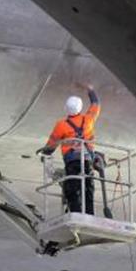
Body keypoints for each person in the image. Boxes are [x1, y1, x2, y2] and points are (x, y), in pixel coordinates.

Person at [38, 84, 101, 214]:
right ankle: (90, 214)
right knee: (88, 187)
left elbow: (52, 143)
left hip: (72, 161)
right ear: (80, 108)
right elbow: (96, 103)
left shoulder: (61, 125)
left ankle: (75, 213)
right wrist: (90, 90)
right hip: (87, 159)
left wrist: (45, 153)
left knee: (73, 187)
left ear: (66, 109)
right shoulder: (89, 120)